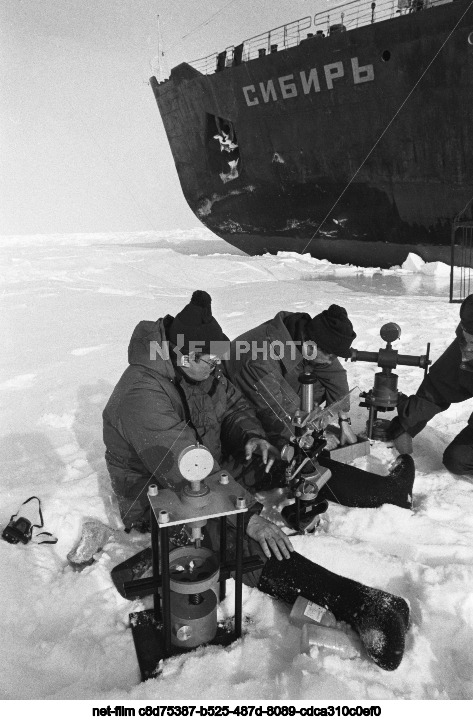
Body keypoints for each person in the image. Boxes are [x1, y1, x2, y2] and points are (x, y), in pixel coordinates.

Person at [102, 290, 410, 670]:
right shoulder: (142, 394)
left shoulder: (200, 367)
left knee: (288, 458)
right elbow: (186, 468)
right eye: (210, 361)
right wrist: (250, 517)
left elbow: (233, 406)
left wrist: (252, 437)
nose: (217, 367)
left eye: (218, 359)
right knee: (237, 540)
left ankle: (384, 490)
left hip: (207, 467)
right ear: (183, 355)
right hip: (162, 495)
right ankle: (361, 604)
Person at [223, 305, 357, 450]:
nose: (332, 361)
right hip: (232, 403)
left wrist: (344, 421)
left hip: (270, 387)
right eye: (331, 356)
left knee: (321, 381)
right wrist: (309, 439)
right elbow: (274, 415)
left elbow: (336, 377)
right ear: (311, 346)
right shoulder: (260, 360)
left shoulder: (308, 335)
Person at [388, 294, 473, 476]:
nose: (467, 349)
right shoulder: (467, 342)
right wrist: (407, 427)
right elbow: (439, 386)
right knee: (458, 459)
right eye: (467, 339)